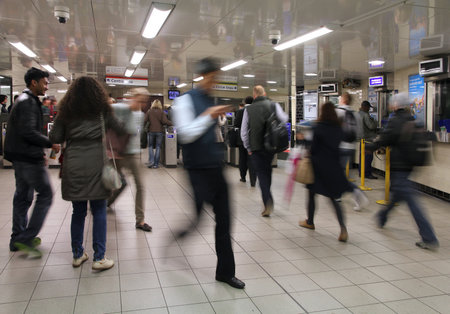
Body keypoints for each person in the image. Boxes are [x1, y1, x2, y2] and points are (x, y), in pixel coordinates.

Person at [172, 57, 245, 289]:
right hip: (196, 170)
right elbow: (185, 134)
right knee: (198, 219)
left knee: (224, 219)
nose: (215, 81)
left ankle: (225, 272)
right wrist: (209, 116)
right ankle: (179, 234)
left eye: (217, 77)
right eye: (212, 77)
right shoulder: (184, 102)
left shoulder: (209, 100)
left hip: (215, 168)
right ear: (201, 77)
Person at [49, 76, 125, 270]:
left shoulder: (65, 111)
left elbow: (55, 136)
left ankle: (77, 255)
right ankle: (99, 258)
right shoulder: (102, 110)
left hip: (73, 162)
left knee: (78, 211)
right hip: (96, 163)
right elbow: (119, 129)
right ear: (96, 92)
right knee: (99, 210)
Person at [4, 67, 60, 257]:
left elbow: (23, 132)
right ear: (33, 82)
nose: (46, 85)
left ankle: (17, 238)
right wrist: (49, 143)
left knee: (23, 197)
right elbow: (28, 132)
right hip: (27, 158)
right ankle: (25, 238)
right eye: (44, 82)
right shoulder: (28, 102)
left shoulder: (23, 99)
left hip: (21, 156)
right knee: (45, 195)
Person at [374, 93, 439, 250]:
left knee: (411, 200)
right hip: (410, 164)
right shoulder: (413, 119)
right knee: (397, 193)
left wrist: (370, 147)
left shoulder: (395, 119)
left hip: (399, 165)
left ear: (396, 105)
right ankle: (382, 217)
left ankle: (429, 238)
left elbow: (385, 139)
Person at [298, 102, 350, 242]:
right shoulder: (339, 128)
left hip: (318, 167)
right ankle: (343, 229)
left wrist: (305, 144)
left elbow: (314, 148)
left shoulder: (318, 127)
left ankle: (310, 221)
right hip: (334, 167)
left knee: (311, 194)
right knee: (335, 199)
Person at [107, 88, 152, 232]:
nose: (142, 103)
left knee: (140, 185)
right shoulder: (120, 108)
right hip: (117, 154)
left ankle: (140, 220)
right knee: (114, 183)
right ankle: (104, 203)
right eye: (139, 99)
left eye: (144, 101)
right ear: (132, 97)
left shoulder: (140, 114)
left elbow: (135, 133)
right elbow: (104, 109)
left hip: (132, 155)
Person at [241, 85, 288, 217]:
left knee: (261, 175)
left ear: (254, 95)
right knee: (267, 171)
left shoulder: (248, 110)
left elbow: (244, 132)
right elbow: (284, 119)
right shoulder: (273, 105)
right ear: (264, 93)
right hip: (270, 146)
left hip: (256, 148)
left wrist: (248, 147)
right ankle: (268, 197)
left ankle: (267, 200)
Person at [336, 92, 369, 211]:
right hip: (351, 148)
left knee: (338, 173)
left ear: (344, 100)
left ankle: (356, 192)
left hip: (339, 146)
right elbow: (360, 133)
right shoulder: (356, 115)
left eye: (340, 99)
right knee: (340, 171)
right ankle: (337, 195)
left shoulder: (337, 112)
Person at [144, 99, 173, 168]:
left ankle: (151, 161)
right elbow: (165, 121)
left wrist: (145, 127)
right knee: (158, 147)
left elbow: (145, 121)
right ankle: (156, 164)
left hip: (151, 131)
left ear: (153, 104)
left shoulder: (149, 111)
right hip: (159, 132)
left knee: (150, 146)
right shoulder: (161, 112)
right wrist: (172, 123)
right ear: (160, 105)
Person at [234, 96, 256, 186]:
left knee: (242, 159)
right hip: (253, 139)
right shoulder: (255, 111)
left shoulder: (239, 111)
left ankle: (243, 177)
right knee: (252, 159)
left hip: (241, 140)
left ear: (244, 102)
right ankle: (253, 180)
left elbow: (236, 125)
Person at [358, 100, 378, 179]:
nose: (369, 109)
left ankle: (361, 172)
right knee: (368, 157)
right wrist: (375, 122)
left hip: (362, 139)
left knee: (362, 157)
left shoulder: (358, 114)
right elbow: (371, 126)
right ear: (365, 107)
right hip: (368, 139)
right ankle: (367, 173)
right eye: (368, 107)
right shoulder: (366, 115)